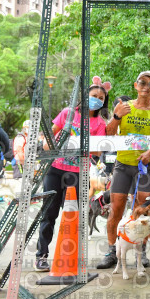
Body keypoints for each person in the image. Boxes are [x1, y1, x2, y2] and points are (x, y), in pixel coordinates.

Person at [35, 79, 110, 271]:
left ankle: (71, 255)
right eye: (94, 96)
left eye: (101, 98)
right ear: (85, 97)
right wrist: (47, 145)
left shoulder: (99, 123)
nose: (97, 100)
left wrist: (83, 148)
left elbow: (97, 152)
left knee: (73, 215)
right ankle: (41, 255)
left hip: (78, 174)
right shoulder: (68, 114)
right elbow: (50, 135)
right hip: (55, 169)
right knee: (49, 213)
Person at [97, 71, 150, 269]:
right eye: (142, 83)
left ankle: (140, 250)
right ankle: (112, 250)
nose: (146, 87)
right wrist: (117, 116)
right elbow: (109, 134)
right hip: (123, 165)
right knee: (116, 209)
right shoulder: (124, 107)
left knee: (142, 210)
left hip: (146, 166)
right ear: (136, 85)